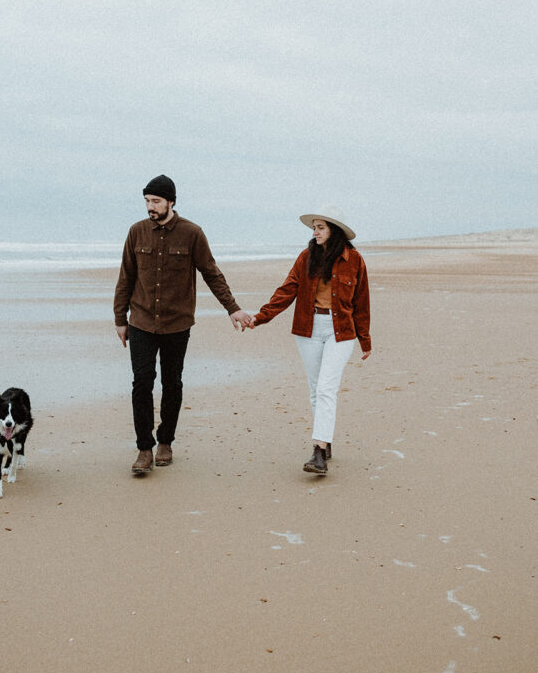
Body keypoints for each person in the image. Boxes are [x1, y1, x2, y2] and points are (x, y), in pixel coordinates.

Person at [114, 175, 253, 474]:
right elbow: (126, 276)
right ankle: (144, 449)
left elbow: (211, 273)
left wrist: (233, 308)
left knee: (172, 383)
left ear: (171, 202)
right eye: (147, 202)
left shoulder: (192, 233)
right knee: (142, 383)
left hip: (177, 324)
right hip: (140, 322)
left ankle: (166, 441)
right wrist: (119, 319)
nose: (150, 207)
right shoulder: (136, 232)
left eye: (156, 202)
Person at [249, 205, 371, 475]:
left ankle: (318, 452)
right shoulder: (306, 257)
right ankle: (325, 440)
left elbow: (362, 301)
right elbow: (287, 289)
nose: (314, 231)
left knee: (327, 388)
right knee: (316, 390)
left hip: (341, 330)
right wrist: (261, 317)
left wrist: (365, 339)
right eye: (314, 227)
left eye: (320, 227)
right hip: (309, 327)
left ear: (334, 231)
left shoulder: (355, 260)